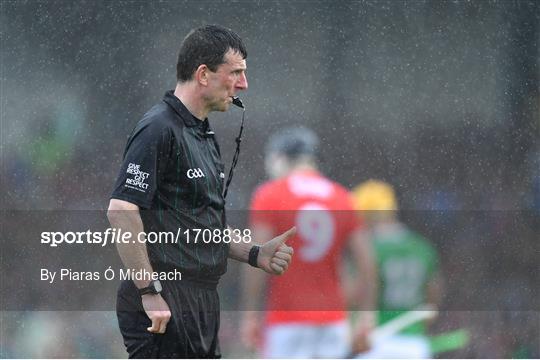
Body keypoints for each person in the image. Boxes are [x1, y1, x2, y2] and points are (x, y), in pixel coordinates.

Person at [107, 25, 294, 358]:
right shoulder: (159, 128)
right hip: (166, 294)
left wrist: (255, 253)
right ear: (203, 74)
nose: (243, 84)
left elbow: (202, 229)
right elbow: (122, 209)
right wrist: (149, 291)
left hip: (201, 298)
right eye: (235, 72)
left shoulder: (203, 135)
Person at [240, 127, 377, 358]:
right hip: (333, 320)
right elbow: (367, 263)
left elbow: (257, 256)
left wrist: (250, 313)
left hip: (286, 321)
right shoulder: (342, 197)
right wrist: (366, 315)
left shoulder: (270, 194)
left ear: (281, 158)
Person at [351, 180, 443, 359]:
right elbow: (432, 300)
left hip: (377, 343)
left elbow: (358, 295)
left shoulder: (369, 249)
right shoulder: (422, 247)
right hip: (415, 345)